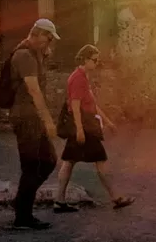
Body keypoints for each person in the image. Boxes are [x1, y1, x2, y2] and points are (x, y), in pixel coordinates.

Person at [53, 44, 135, 213]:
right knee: (100, 160)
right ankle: (115, 197)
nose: (97, 63)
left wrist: (108, 121)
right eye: (94, 60)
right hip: (85, 126)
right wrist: (80, 129)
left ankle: (59, 201)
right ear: (85, 59)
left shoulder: (82, 77)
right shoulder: (78, 78)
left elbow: (92, 104)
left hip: (85, 124)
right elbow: (75, 105)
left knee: (69, 162)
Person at [6, 18, 62, 230]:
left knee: (48, 161)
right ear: (36, 34)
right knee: (31, 166)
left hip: (33, 118)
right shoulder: (24, 56)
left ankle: (22, 202)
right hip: (27, 118)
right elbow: (34, 90)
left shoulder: (32, 55)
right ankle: (23, 216)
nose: (49, 43)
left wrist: (43, 55)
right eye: (47, 38)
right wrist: (49, 121)